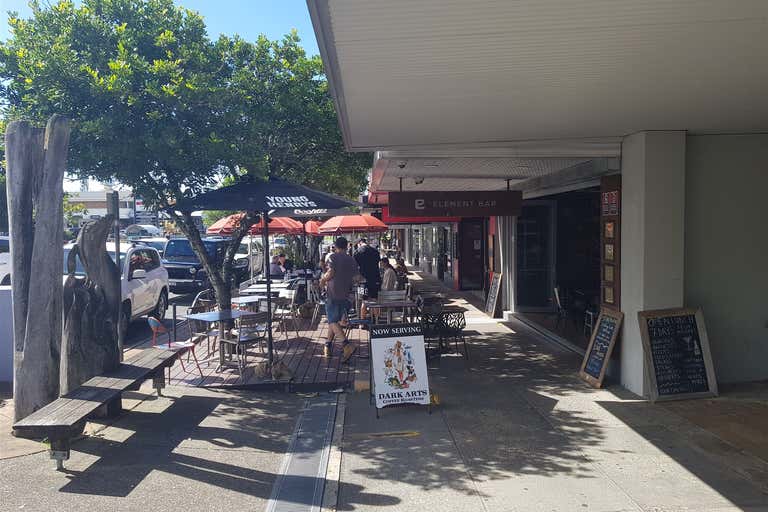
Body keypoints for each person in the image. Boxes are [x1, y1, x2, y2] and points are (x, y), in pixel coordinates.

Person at [319, 237, 359, 361]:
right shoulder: (351, 259)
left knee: (332, 321)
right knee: (334, 320)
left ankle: (346, 344)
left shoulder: (333, 257)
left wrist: (323, 280)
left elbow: (330, 273)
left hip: (333, 292)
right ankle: (328, 346)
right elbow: (356, 278)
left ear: (335, 246)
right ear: (347, 246)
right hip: (346, 293)